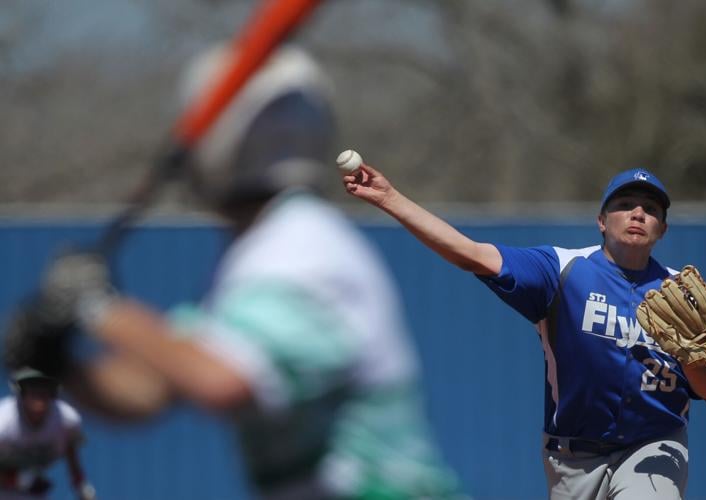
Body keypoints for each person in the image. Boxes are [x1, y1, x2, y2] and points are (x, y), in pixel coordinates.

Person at [33, 44, 466, 500]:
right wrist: (60, 366)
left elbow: (222, 383)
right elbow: (148, 392)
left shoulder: (301, 247)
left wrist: (99, 308)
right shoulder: (264, 251)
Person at [341, 164, 706, 499]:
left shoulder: (682, 293)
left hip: (655, 445)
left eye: (650, 209)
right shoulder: (560, 271)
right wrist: (390, 198)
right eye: (624, 205)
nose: (637, 213)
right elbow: (470, 254)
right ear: (601, 220)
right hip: (572, 457)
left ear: (662, 229)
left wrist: (691, 359)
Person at [0, 368, 96, 500]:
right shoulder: (4, 422)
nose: (39, 394)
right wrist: (19, 480)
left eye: (45, 388)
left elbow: (71, 453)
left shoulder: (66, 421)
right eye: (32, 388)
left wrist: (82, 487)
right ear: (21, 392)